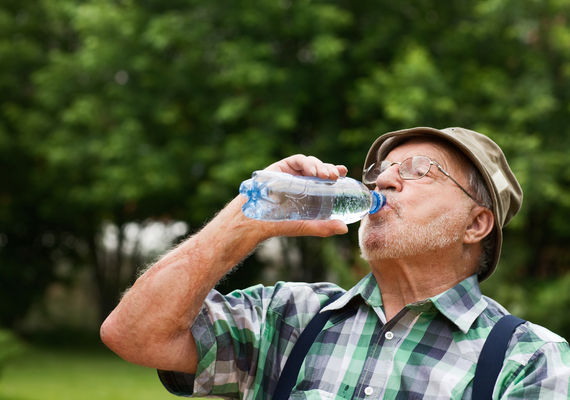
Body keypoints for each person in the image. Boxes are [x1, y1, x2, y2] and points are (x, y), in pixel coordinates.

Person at [101, 127, 570, 399]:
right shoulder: (287, 316)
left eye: (417, 170)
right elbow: (133, 334)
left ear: (476, 225)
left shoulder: (528, 359)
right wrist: (245, 220)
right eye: (383, 169)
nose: (385, 179)